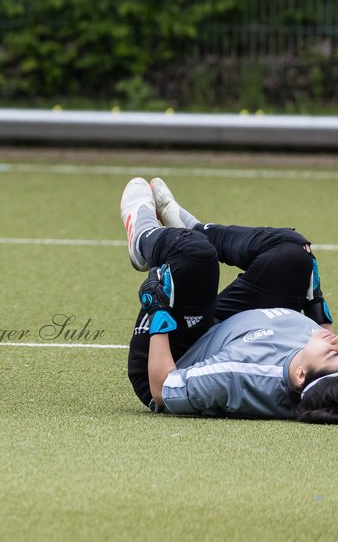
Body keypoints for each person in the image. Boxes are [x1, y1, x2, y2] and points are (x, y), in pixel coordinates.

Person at [120, 176, 338, 421]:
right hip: (234, 328)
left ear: (300, 376)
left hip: (175, 353)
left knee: (195, 255)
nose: (336, 345)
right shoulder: (314, 363)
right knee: (294, 253)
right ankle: (196, 231)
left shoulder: (239, 375)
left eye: (333, 355)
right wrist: (315, 303)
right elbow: (327, 384)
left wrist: (159, 311)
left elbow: (162, 389)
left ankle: (143, 238)